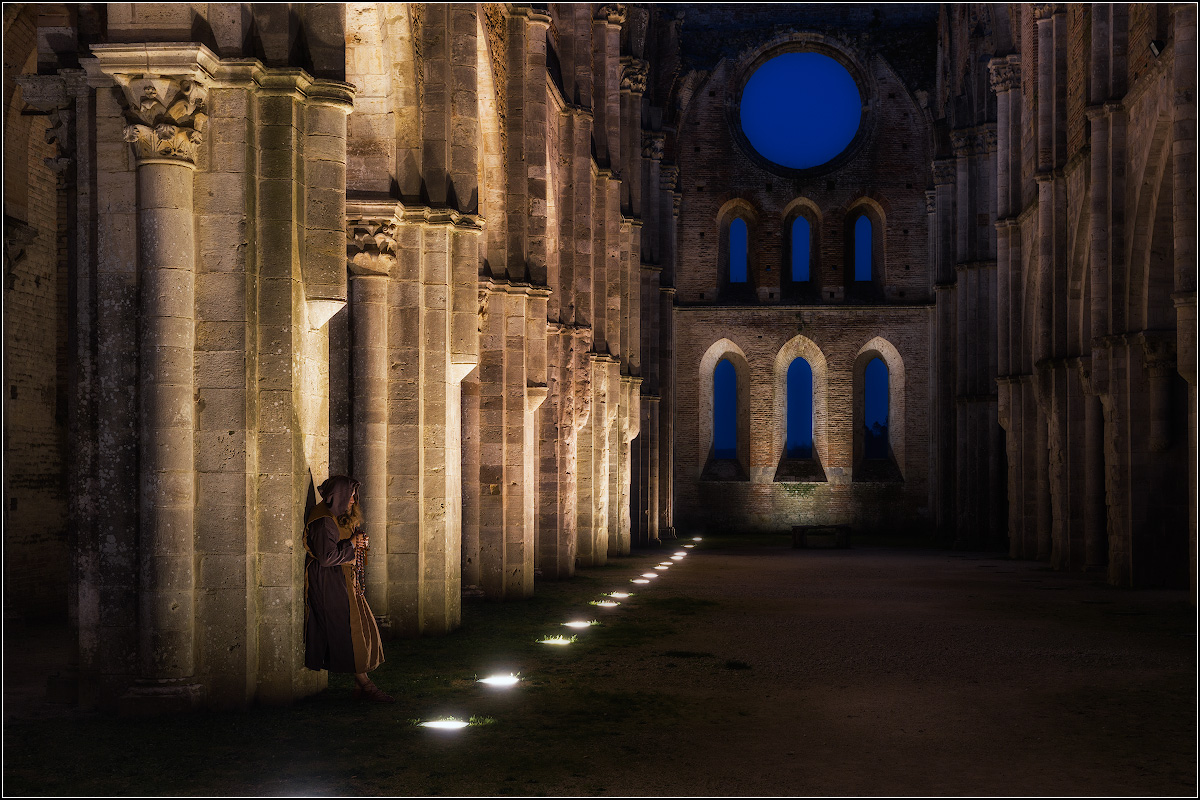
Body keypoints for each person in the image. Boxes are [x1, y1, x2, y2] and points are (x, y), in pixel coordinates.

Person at [303, 474, 393, 702]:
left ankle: (360, 685)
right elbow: (326, 557)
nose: (353, 500)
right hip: (330, 581)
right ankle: (366, 685)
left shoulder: (338, 516)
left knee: (360, 626)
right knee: (347, 630)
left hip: (344, 579)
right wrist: (352, 544)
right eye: (350, 496)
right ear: (339, 496)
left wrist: (358, 542)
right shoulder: (323, 520)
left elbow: (345, 544)